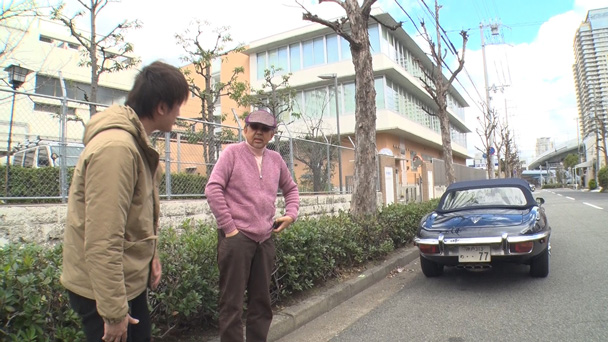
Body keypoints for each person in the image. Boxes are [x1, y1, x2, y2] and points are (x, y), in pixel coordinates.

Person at [61, 61, 189, 342]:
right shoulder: (117, 149)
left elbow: (136, 216)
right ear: (161, 107)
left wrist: (150, 256)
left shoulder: (136, 144)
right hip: (103, 291)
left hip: (126, 280)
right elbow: (102, 238)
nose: (180, 113)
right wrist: (114, 313)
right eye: (178, 104)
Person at [205, 109, 300, 342]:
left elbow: (291, 189)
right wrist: (230, 228)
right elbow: (213, 188)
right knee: (232, 303)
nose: (259, 132)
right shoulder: (232, 154)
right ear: (245, 129)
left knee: (261, 302)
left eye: (265, 129)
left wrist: (291, 214)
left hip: (265, 239)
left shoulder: (276, 160)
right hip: (237, 239)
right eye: (254, 127)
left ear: (272, 134)